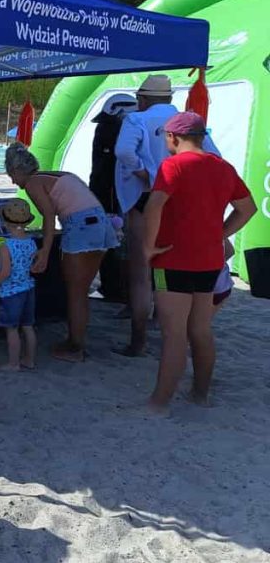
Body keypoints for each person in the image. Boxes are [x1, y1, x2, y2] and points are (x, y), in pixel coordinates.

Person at [143, 112, 255, 415]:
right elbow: (247, 209)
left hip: (173, 257)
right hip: (209, 260)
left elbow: (154, 206)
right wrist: (220, 234)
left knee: (174, 334)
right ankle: (200, 394)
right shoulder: (223, 167)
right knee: (201, 330)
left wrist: (148, 246)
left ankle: (159, 403)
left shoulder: (173, 165)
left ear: (172, 137)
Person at [114, 75, 220, 357]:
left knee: (141, 274)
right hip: (179, 199)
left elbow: (123, 150)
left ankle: (138, 342)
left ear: (142, 99)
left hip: (145, 195)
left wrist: (144, 172)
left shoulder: (136, 119)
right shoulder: (188, 121)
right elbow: (213, 157)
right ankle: (171, 336)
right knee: (172, 269)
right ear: (170, 98)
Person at [5, 143, 119, 362]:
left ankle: (75, 347)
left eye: (12, 176)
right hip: (101, 225)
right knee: (81, 291)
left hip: (81, 227)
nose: (13, 182)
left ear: (18, 170)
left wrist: (45, 251)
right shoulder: (58, 175)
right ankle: (76, 342)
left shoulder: (33, 183)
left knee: (75, 293)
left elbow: (49, 216)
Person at [89, 94, 136, 302]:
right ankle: (114, 287)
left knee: (116, 243)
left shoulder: (114, 130)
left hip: (112, 194)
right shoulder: (112, 130)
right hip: (110, 193)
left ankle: (116, 288)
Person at [0, 198, 37, 372]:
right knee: (28, 327)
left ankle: (14, 363)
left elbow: (5, 272)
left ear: (5, 222)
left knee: (12, 329)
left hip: (10, 292)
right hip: (28, 288)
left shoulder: (6, 245)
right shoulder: (31, 241)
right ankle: (29, 360)